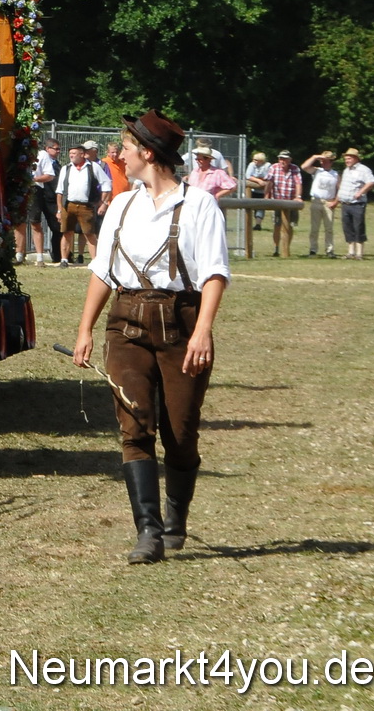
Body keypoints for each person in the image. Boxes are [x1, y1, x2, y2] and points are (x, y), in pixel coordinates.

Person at [72, 110, 229, 565]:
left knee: (180, 432)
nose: (117, 155)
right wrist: (85, 330)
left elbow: (215, 273)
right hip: (126, 322)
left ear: (147, 153)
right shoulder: (122, 204)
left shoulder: (199, 204)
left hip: (181, 321)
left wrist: (203, 330)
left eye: (123, 148)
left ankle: (176, 518)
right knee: (134, 425)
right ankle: (149, 532)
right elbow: (103, 271)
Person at [56, 142, 111, 264]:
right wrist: (59, 210)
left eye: (74, 153)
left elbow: (106, 184)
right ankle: (64, 260)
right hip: (68, 205)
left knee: (89, 234)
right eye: (70, 153)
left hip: (86, 206)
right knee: (66, 232)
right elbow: (59, 191)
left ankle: (96, 262)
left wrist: (103, 203)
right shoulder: (66, 169)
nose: (71, 156)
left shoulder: (93, 167)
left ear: (82, 154)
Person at [330, 147, 374, 260]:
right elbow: (342, 187)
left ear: (356, 158)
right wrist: (337, 200)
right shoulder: (346, 170)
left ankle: (359, 253)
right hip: (345, 204)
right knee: (347, 228)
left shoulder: (363, 169)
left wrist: (361, 192)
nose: (347, 160)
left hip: (357, 204)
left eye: (349, 158)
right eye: (346, 158)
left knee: (358, 227)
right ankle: (350, 252)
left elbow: (372, 181)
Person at [24, 138, 62, 265]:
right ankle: (21, 253)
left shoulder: (57, 164)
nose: (58, 151)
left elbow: (51, 177)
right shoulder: (41, 156)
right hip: (39, 194)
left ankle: (59, 256)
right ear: (47, 148)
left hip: (51, 198)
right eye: (56, 148)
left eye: (59, 149)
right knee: (33, 222)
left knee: (57, 227)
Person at [301, 150, 340, 256]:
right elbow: (304, 167)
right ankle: (313, 249)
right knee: (314, 228)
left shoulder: (335, 174)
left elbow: (340, 189)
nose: (322, 162)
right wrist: (315, 156)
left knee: (329, 228)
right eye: (321, 160)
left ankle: (329, 249)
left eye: (325, 160)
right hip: (316, 201)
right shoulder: (317, 171)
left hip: (328, 202)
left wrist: (336, 202)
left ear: (331, 161)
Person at [264, 149, 302, 257]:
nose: (282, 161)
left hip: (291, 201)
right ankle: (276, 248)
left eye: (284, 159)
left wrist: (298, 197)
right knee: (277, 225)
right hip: (278, 201)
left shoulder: (295, 168)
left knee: (290, 226)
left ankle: (286, 248)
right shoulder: (274, 167)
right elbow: (269, 182)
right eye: (280, 158)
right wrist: (266, 196)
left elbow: (298, 183)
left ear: (289, 160)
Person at [243, 152, 270, 230]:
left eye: (256, 160)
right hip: (251, 190)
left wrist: (255, 179)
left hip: (262, 191)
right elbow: (248, 176)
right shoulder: (252, 165)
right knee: (249, 206)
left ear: (261, 160)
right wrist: (258, 180)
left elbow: (267, 177)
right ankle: (247, 224)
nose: (254, 161)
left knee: (261, 207)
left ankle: (258, 224)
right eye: (253, 159)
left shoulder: (267, 165)